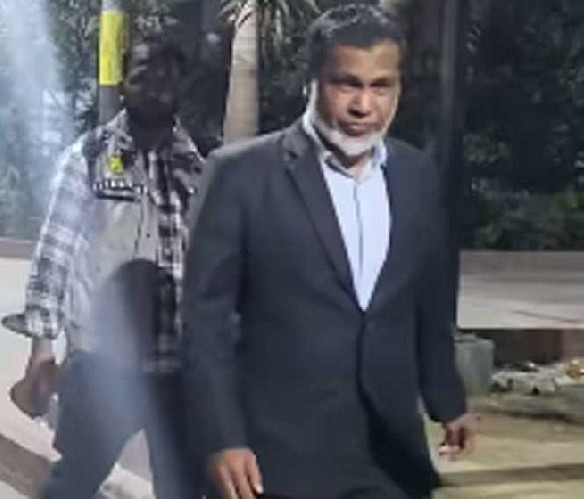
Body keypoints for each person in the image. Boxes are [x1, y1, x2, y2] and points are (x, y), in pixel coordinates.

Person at [182, 5, 475, 498]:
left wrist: (448, 400)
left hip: (389, 460)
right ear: (311, 83)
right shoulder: (239, 175)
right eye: (347, 84)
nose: (364, 106)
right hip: (278, 462)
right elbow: (204, 324)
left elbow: (426, 304)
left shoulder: (416, 176)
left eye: (381, 86)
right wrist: (222, 438)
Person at [19, 29, 205, 499]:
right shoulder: (89, 156)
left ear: (180, 86)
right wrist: (42, 346)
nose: (155, 88)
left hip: (178, 365)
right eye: (143, 75)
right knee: (74, 482)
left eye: (166, 78)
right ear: (123, 81)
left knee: (183, 488)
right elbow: (54, 252)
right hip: (103, 362)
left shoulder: (199, 165)